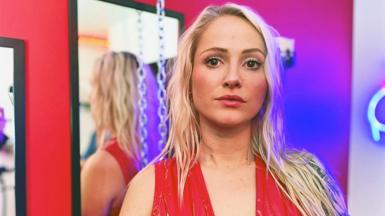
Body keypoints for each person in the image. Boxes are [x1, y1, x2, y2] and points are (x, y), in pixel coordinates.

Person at [120, 3, 348, 216]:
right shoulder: (149, 189)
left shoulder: (308, 184)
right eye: (214, 61)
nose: (232, 78)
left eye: (251, 63)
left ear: (268, 82)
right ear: (189, 77)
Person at [81, 51, 142, 216]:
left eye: (94, 86)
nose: (90, 96)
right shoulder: (150, 149)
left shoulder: (101, 165)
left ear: (106, 95)